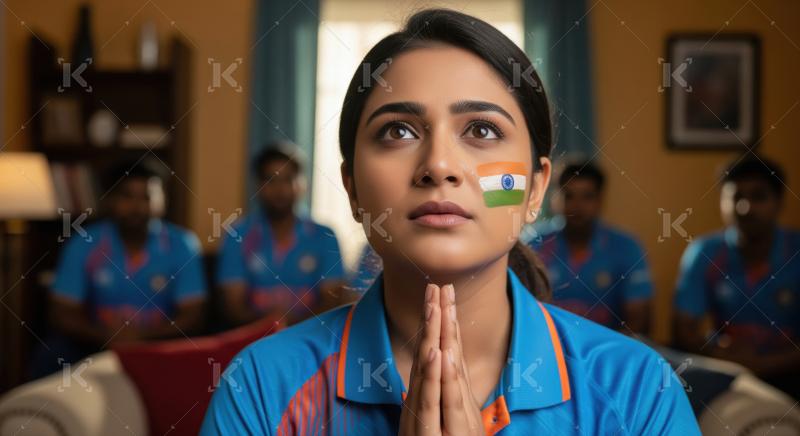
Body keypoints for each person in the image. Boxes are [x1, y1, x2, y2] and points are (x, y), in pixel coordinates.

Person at [202, 9, 698, 435]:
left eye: (482, 129)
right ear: (351, 187)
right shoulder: (261, 389)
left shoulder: (638, 390)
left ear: (534, 188)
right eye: (397, 131)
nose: (439, 164)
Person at [33, 162, 207, 378]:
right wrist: (106, 336)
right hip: (95, 344)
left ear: (163, 200)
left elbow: (193, 315)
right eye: (127, 196)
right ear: (111, 200)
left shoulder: (182, 244)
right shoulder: (84, 243)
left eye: (146, 197)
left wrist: (142, 336)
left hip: (159, 345)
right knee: (52, 354)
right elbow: (61, 312)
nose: (137, 206)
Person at [674, 156, 800, 397]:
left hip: (790, 373)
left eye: (758, 196)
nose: (745, 207)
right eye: (736, 197)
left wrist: (765, 365)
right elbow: (685, 332)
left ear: (779, 202)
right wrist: (725, 358)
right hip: (727, 374)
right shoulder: (705, 252)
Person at [216, 143, 348, 327]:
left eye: (288, 179)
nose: (280, 189)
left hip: (311, 339)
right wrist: (272, 328)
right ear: (258, 186)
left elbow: (332, 304)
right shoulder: (236, 235)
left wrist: (288, 326)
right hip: (254, 340)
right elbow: (234, 308)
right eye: (271, 180)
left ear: (303, 185)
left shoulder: (325, 236)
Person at [530, 161, 654, 334]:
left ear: (601, 200)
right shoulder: (532, 245)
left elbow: (638, 321)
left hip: (608, 354)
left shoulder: (627, 248)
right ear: (555, 199)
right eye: (569, 196)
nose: (577, 206)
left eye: (587, 196)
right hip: (546, 352)